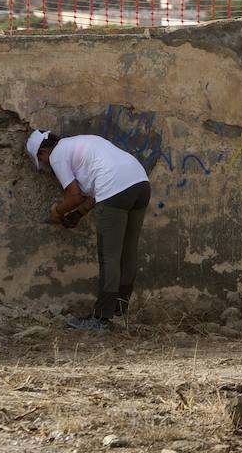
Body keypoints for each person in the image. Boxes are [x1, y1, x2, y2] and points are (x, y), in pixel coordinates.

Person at [27, 129, 152, 332]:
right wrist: (78, 215)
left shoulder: (57, 155)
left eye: (41, 161)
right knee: (128, 251)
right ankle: (120, 309)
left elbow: (75, 197)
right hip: (140, 183)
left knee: (109, 256)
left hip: (115, 189)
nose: (45, 165)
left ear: (43, 152)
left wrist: (56, 212)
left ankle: (101, 318)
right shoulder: (81, 142)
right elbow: (99, 189)